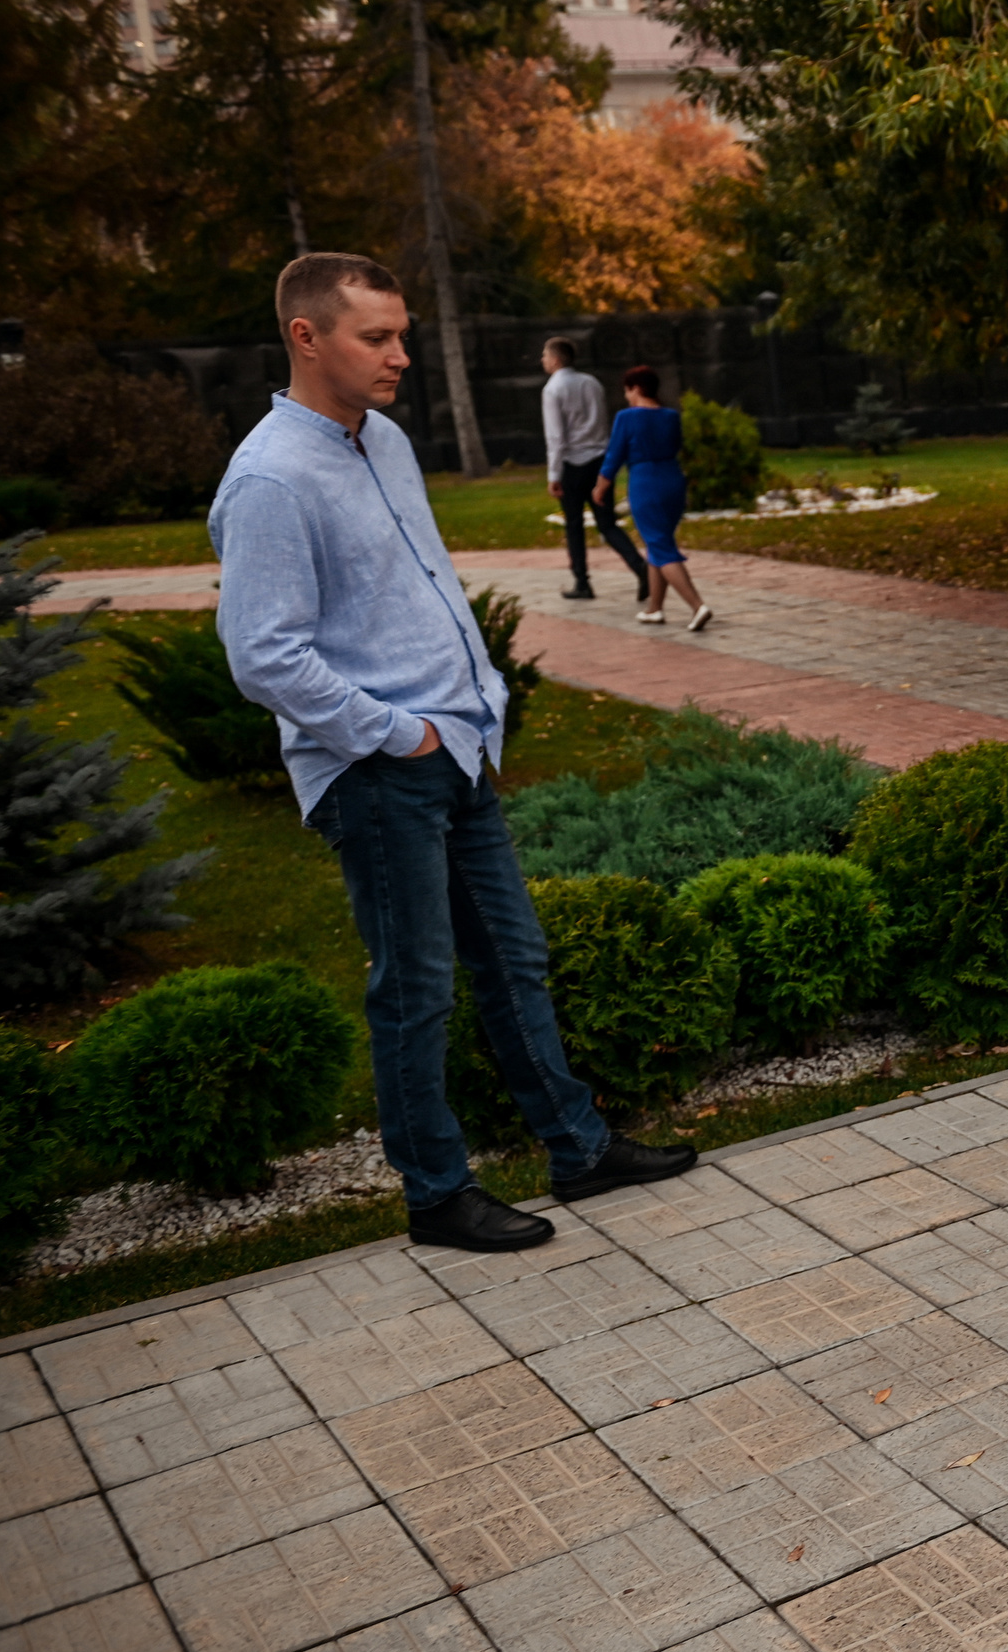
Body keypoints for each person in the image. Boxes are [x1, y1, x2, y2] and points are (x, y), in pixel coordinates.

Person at [211, 253, 696, 1253]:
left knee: (514, 958)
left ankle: (577, 1146)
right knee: (417, 987)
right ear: (307, 337)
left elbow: (422, 583)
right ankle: (435, 1193)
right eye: (375, 337)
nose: (400, 356)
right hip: (379, 766)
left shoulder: (383, 441)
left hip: (457, 748)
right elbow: (263, 655)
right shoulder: (269, 477)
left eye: (402, 335)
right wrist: (398, 734)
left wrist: (472, 712)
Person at [595, 365, 712, 631]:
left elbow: (614, 455)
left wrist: (600, 487)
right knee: (658, 543)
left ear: (635, 388)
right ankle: (654, 608)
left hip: (645, 482)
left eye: (626, 390)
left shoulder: (626, 417)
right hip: (672, 479)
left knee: (660, 546)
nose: (626, 396)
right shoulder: (670, 416)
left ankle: (698, 606)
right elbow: (677, 446)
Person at [540, 336, 650, 603]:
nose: (542, 360)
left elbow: (556, 437)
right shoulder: (591, 383)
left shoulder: (553, 390)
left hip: (572, 464)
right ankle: (641, 568)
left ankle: (582, 581)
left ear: (555, 359)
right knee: (607, 523)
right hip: (599, 460)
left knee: (574, 525)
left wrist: (554, 475)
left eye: (544, 355)